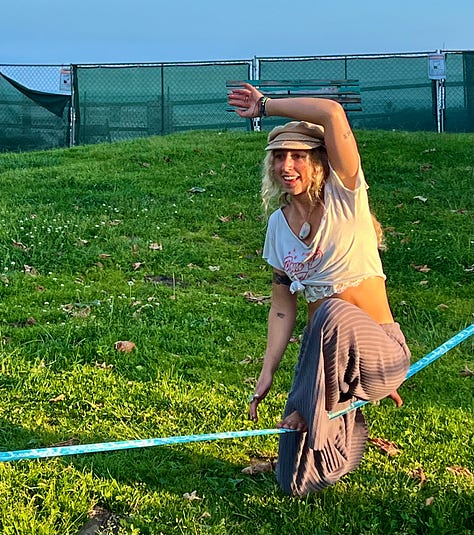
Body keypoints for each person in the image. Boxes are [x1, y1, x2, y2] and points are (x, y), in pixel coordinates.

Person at [227, 84, 411, 496]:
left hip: (380, 351)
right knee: (293, 482)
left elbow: (330, 111)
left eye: (298, 155)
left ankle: (319, 410)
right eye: (278, 156)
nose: (286, 165)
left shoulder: (346, 196)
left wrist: (264, 107)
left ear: (320, 162)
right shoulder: (278, 226)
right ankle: (339, 425)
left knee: (329, 312)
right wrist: (267, 370)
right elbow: (281, 308)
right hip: (328, 370)